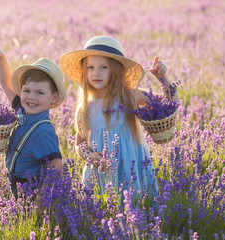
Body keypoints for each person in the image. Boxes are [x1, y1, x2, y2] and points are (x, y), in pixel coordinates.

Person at [60, 36, 179, 202]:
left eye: (104, 67)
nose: (96, 72)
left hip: (131, 168)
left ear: (116, 71)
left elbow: (170, 103)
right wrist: (90, 156)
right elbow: (80, 143)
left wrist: (163, 78)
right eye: (91, 67)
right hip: (102, 170)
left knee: (137, 208)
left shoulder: (128, 97)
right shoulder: (84, 107)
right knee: (102, 211)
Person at [0, 44, 65, 199]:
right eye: (26, 91)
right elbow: (7, 84)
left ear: (53, 97)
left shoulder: (43, 130)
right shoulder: (22, 110)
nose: (31, 97)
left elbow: (56, 165)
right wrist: (0, 58)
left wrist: (42, 199)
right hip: (16, 183)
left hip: (32, 188)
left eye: (40, 92)